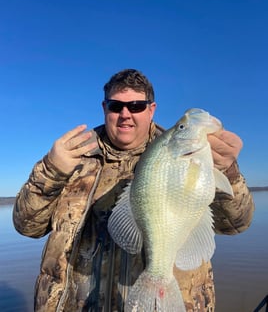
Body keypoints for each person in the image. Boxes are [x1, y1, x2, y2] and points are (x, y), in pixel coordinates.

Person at [13, 69, 254, 312]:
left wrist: (229, 172)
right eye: (116, 106)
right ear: (104, 108)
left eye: (137, 106)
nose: (125, 114)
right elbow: (27, 227)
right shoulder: (71, 158)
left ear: (152, 109)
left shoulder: (190, 156)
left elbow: (235, 224)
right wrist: (51, 171)